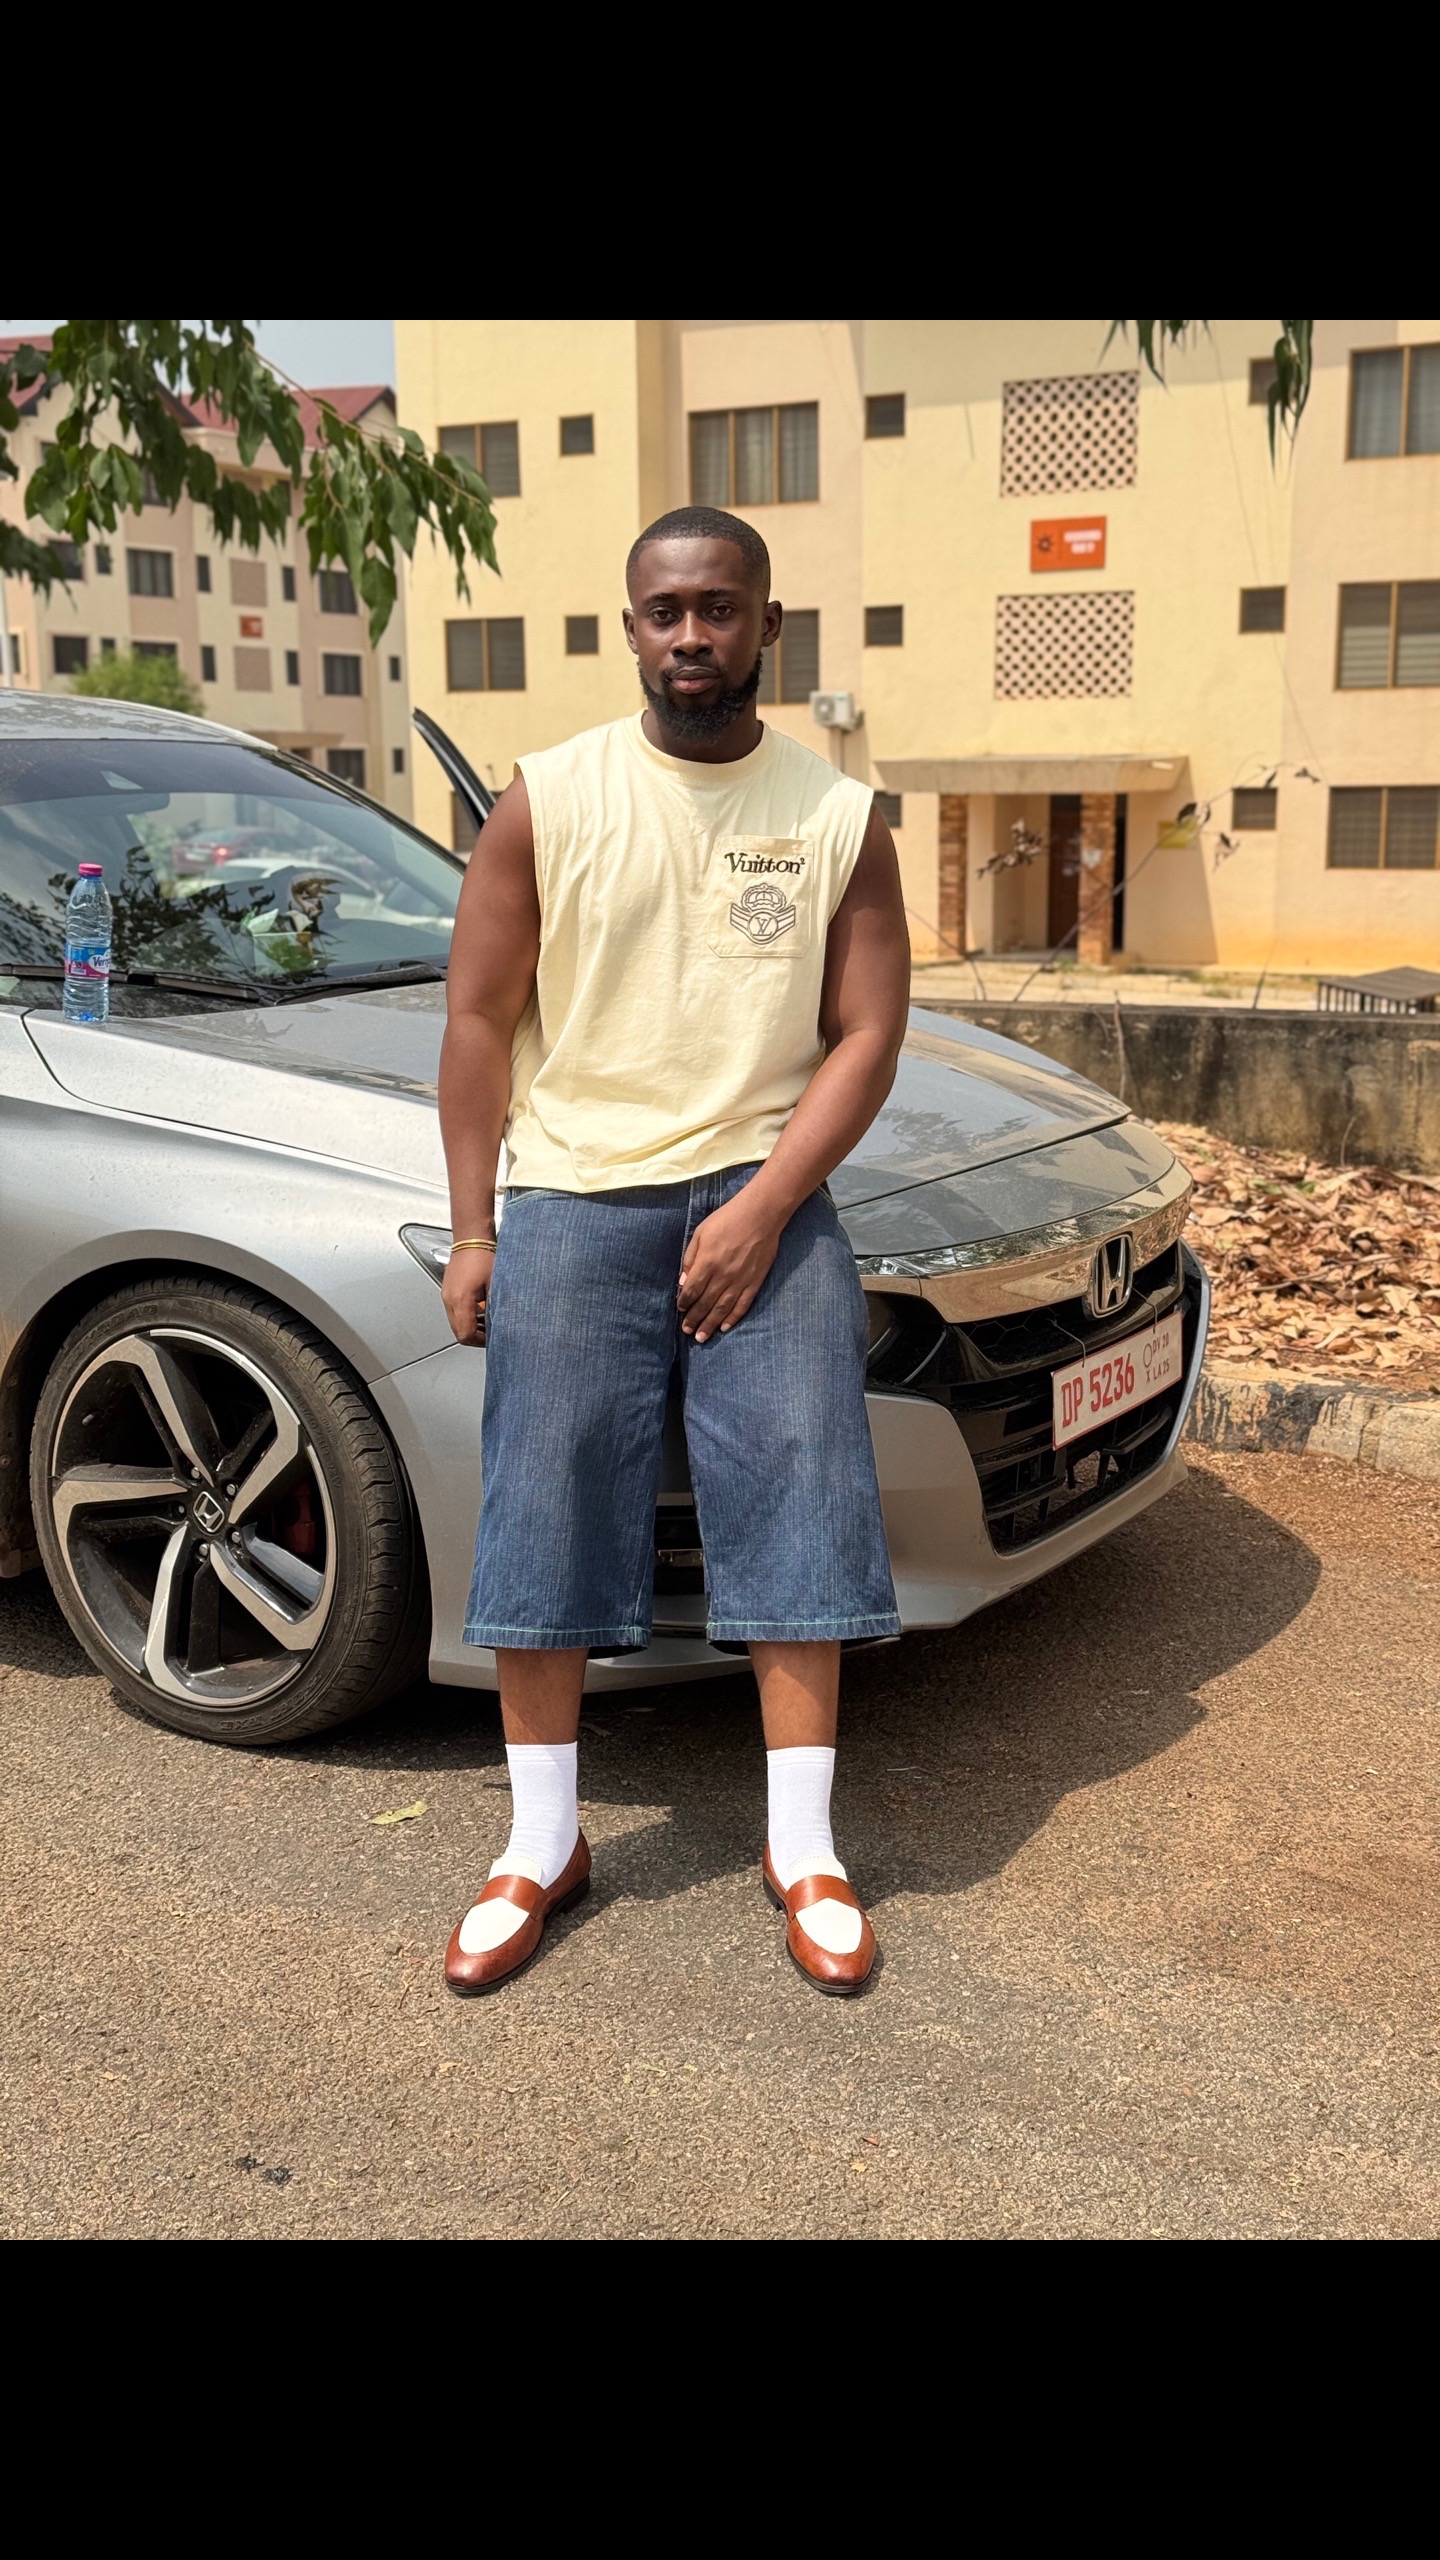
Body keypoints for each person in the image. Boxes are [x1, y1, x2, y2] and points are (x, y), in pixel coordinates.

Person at [437, 505, 910, 1997]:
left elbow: (869, 1033)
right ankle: (542, 1843)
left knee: (804, 1489)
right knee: (548, 1498)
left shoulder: (837, 816)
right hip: (576, 1196)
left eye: (719, 607)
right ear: (630, 627)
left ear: (769, 625)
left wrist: (764, 1209)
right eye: (666, 610)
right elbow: (476, 1021)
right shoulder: (548, 799)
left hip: (764, 1191)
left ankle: (804, 1849)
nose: (691, 635)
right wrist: (473, 1226)